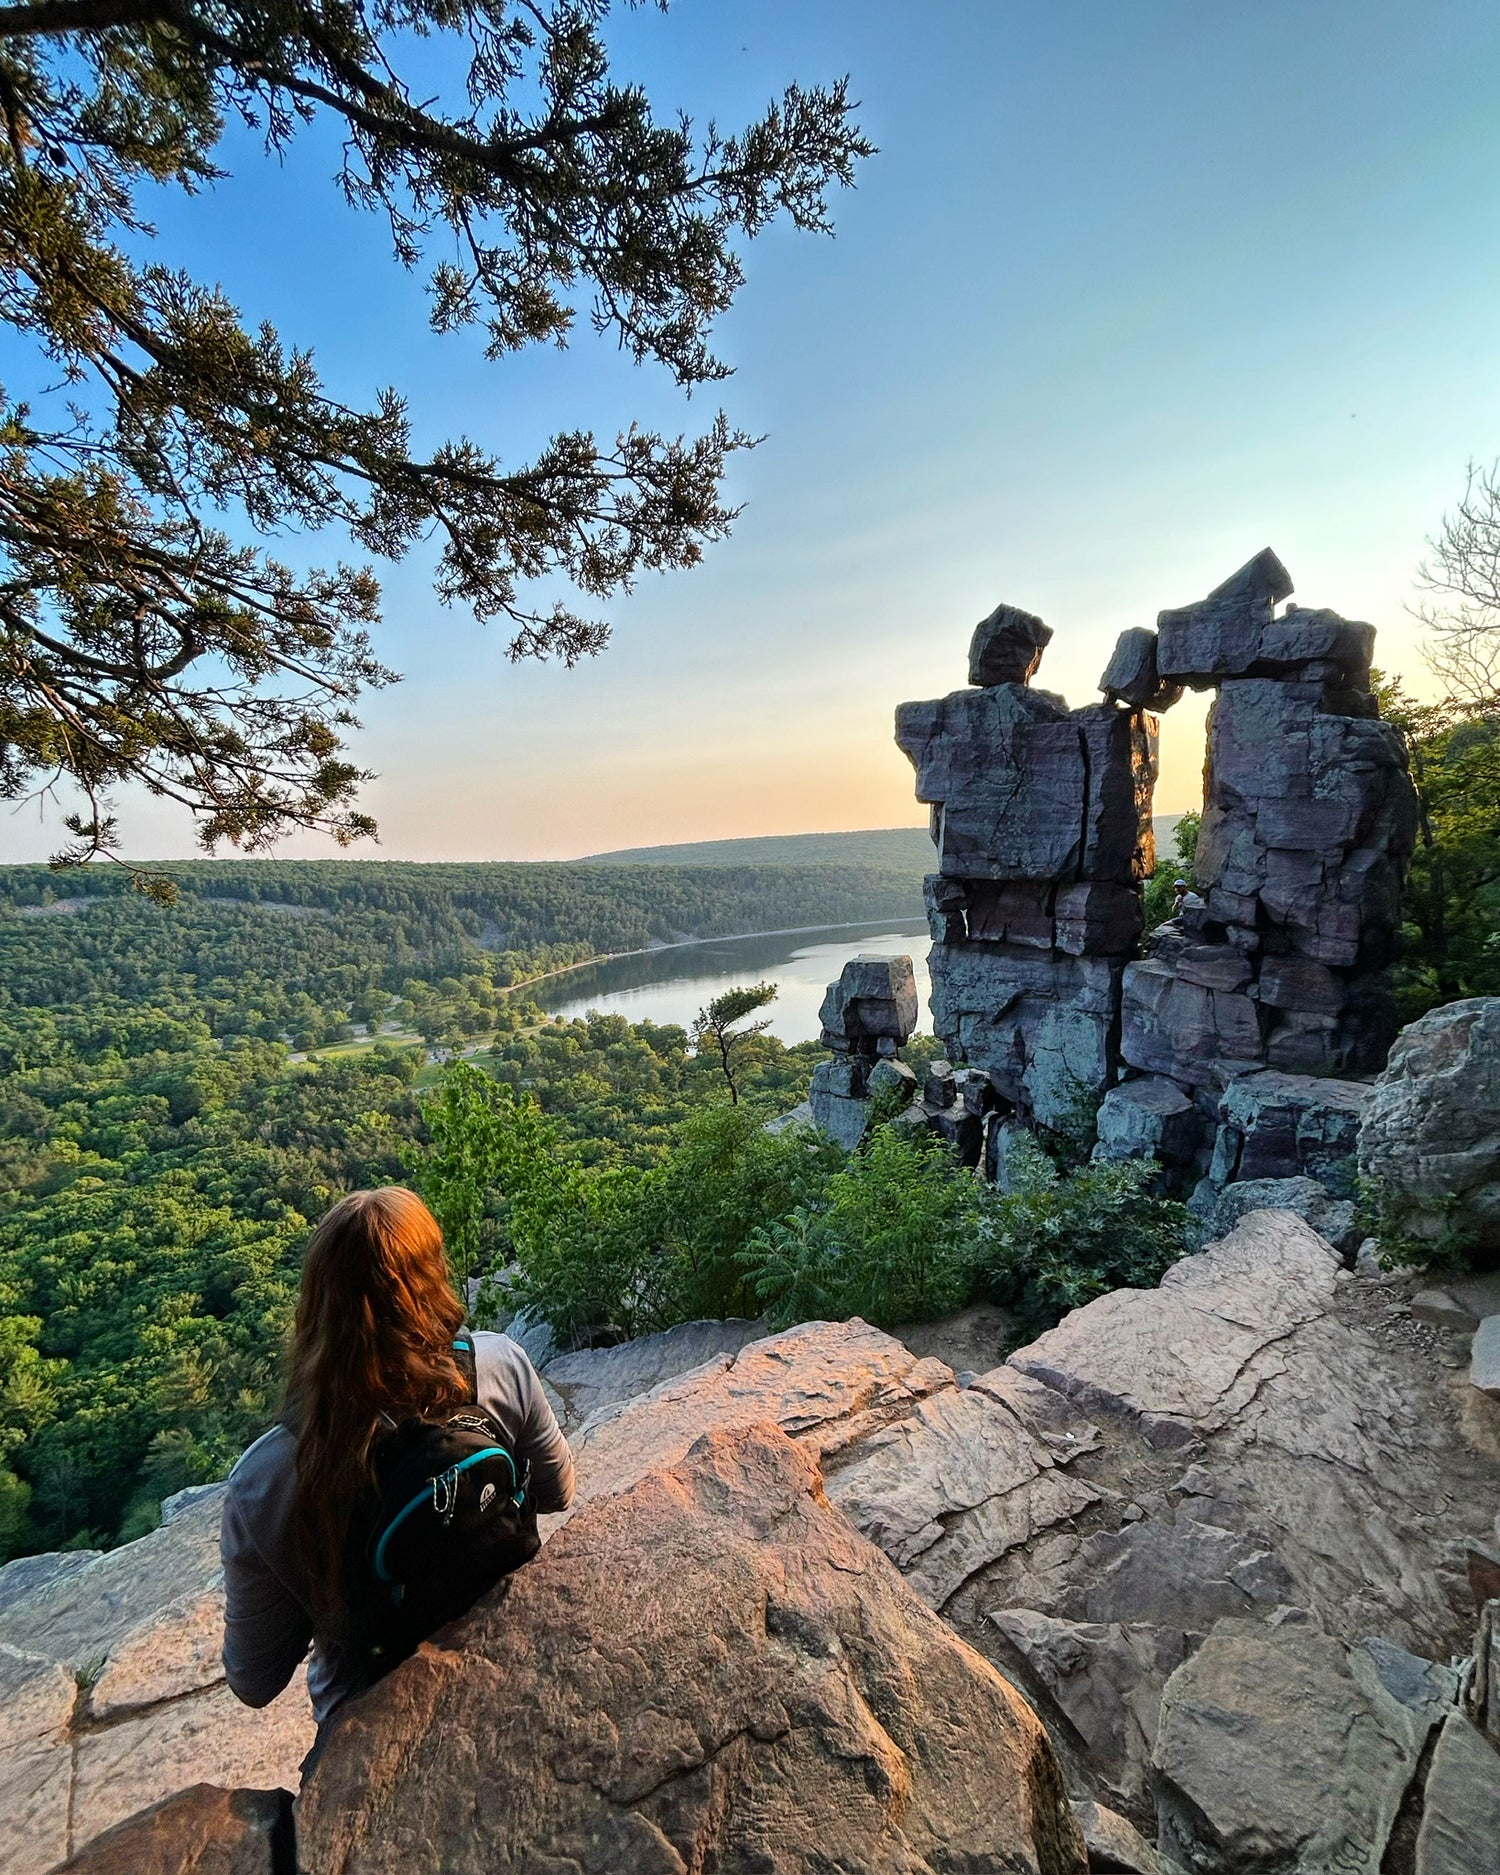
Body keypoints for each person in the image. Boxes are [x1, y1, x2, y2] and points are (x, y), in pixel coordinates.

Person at [220, 1187, 573, 1727]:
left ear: (317, 1305)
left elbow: (255, 1680)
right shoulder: (498, 1365)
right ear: (433, 1276)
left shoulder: (262, 1482)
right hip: (514, 1645)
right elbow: (557, 1491)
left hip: (373, 1713)